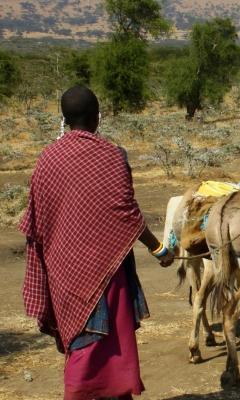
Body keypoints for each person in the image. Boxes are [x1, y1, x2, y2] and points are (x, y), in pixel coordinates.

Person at [20, 86, 174, 400]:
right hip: (108, 270)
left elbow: (35, 222)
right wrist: (159, 248)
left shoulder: (46, 159)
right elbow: (127, 212)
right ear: (96, 118)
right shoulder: (112, 155)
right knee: (103, 340)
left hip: (63, 270)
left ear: (64, 119)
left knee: (84, 338)